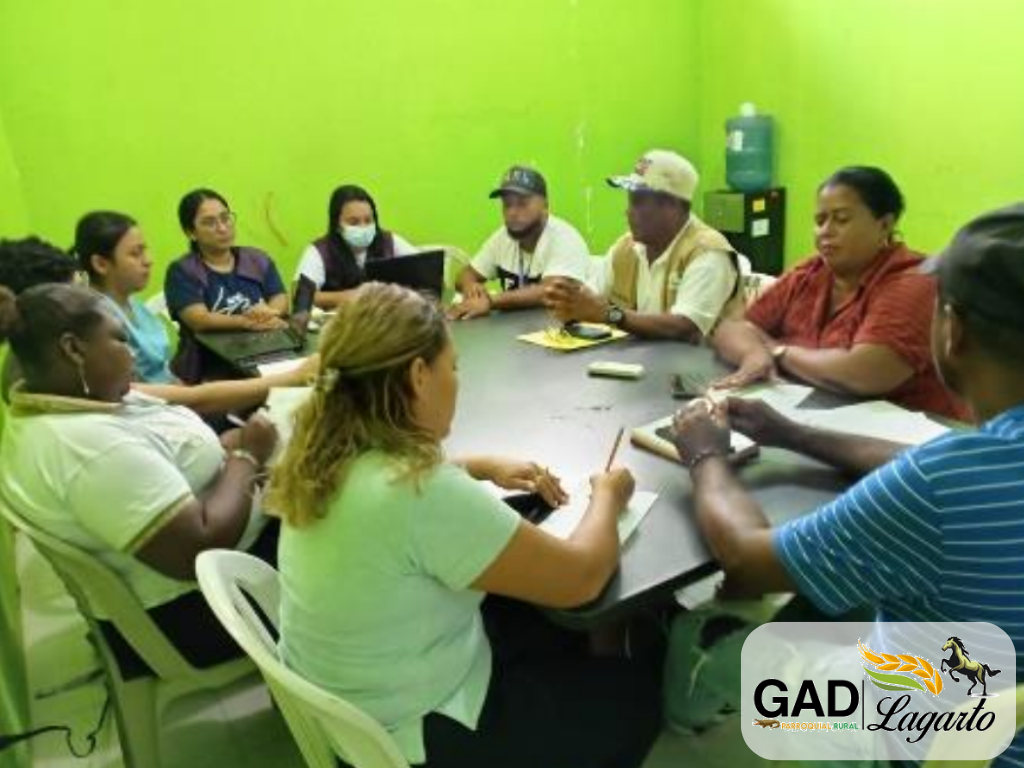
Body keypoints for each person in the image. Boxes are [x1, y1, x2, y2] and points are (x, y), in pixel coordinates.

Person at [670, 202, 1024, 766]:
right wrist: (794, 434)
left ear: (953, 331)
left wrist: (705, 455)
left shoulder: (939, 486)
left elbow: (746, 559)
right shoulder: (965, 470)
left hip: (933, 734)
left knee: (711, 631)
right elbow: (937, 465)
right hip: (997, 702)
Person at [268, 282, 660, 768]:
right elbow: (581, 577)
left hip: (350, 703)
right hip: (415, 733)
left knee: (531, 620)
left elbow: (392, 497)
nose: (457, 381)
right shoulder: (420, 492)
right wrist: (607, 495)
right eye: (452, 367)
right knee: (635, 695)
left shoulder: (323, 453)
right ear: (418, 376)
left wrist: (477, 465)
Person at [0, 282, 281, 679]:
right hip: (193, 616)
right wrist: (247, 456)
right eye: (120, 340)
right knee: (344, 535)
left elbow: (161, 459)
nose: (132, 352)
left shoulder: (80, 398)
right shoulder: (87, 448)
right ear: (73, 349)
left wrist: (230, 453)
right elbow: (195, 549)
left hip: (200, 579)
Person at [711, 165, 964, 419]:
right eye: (820, 221)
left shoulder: (913, 281)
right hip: (811, 413)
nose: (826, 231)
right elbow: (731, 329)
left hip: (903, 428)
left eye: (841, 219)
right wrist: (754, 354)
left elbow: (864, 373)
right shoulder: (810, 272)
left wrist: (778, 351)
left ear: (885, 224)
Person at [1, 234, 316, 414]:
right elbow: (192, 399)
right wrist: (245, 455)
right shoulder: (74, 379)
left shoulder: (44, 367)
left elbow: (172, 393)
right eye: (75, 291)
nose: (148, 260)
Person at [544, 150, 743, 341]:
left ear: (671, 207)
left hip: (700, 363)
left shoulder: (708, 252)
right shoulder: (626, 249)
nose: (628, 212)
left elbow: (686, 328)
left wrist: (610, 315)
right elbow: (591, 299)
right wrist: (569, 303)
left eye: (637, 202)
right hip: (641, 360)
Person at [164, 188, 289, 383]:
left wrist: (270, 313)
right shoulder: (182, 271)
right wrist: (247, 321)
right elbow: (200, 320)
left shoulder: (256, 259)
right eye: (209, 222)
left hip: (263, 354)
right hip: (209, 368)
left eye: (225, 218)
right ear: (191, 232)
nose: (222, 228)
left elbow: (279, 296)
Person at [449, 166, 590, 320]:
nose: (512, 212)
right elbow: (465, 275)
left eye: (522, 203)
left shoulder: (565, 238)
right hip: (515, 331)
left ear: (545, 206)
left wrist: (490, 301)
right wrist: (471, 288)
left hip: (562, 330)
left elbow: (551, 291)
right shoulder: (502, 237)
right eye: (507, 204)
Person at [295, 184, 417, 309]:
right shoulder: (320, 251)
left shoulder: (389, 242)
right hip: (340, 319)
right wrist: (347, 297)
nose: (363, 227)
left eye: (368, 220)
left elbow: (421, 269)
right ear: (337, 225)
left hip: (385, 318)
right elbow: (300, 295)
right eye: (353, 222)